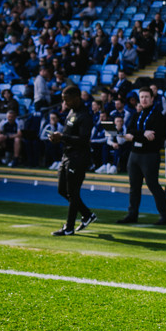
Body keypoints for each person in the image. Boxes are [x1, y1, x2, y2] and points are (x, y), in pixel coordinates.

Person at [118, 87, 166, 225]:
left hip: (149, 155)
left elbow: (153, 137)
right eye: (141, 97)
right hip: (134, 155)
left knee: (153, 185)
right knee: (134, 187)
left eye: (146, 97)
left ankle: (165, 215)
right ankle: (132, 214)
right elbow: (129, 131)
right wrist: (142, 134)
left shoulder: (157, 116)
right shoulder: (136, 115)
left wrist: (135, 136)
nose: (144, 99)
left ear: (152, 98)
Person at [50, 86, 97, 236]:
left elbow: (83, 140)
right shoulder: (71, 112)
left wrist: (62, 137)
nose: (64, 103)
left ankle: (69, 227)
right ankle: (87, 214)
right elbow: (68, 134)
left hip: (78, 158)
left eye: (67, 100)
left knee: (73, 192)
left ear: (76, 98)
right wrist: (58, 138)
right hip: (67, 155)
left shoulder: (85, 116)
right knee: (62, 190)